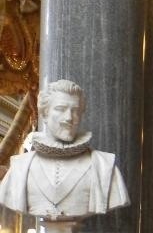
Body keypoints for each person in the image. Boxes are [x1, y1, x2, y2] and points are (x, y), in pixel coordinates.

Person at [0, 78, 130, 220]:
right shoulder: (19, 168)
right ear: (45, 114)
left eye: (75, 111)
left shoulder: (104, 167)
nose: (69, 117)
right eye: (61, 109)